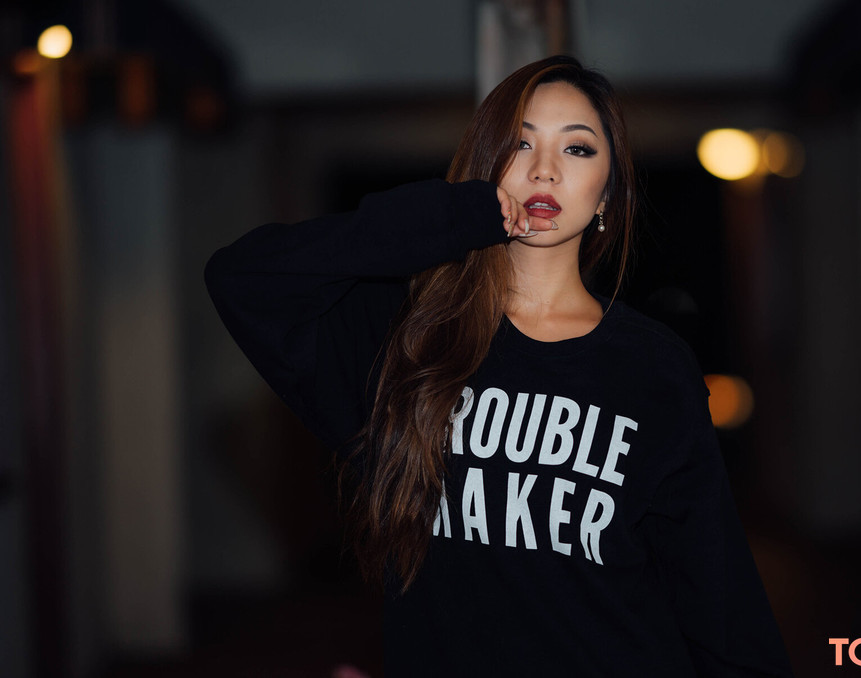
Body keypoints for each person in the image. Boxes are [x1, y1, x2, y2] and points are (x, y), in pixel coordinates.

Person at [205, 55, 792, 677]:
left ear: (607, 193)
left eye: (577, 149)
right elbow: (243, 279)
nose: (544, 169)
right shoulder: (408, 340)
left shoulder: (653, 366)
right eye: (520, 143)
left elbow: (717, 593)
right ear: (488, 164)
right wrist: (450, 219)